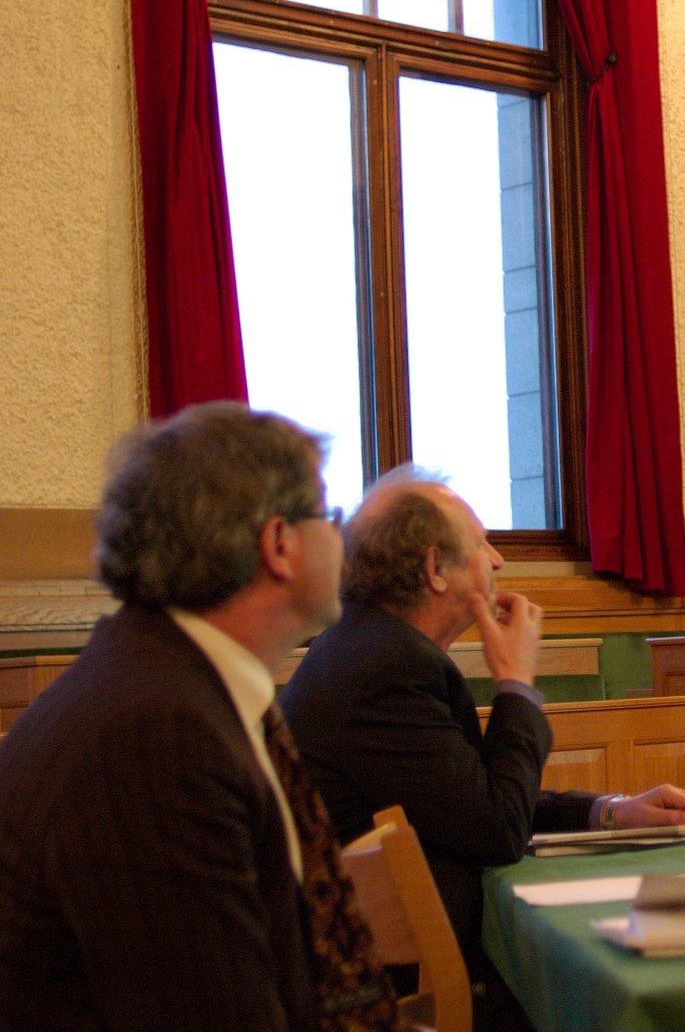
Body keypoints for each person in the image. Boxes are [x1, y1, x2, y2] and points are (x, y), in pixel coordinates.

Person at [0, 402, 398, 1032]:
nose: (340, 537)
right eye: (328, 516)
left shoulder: (164, 681)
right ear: (279, 544)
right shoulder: (156, 736)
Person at [280, 469, 685, 1032]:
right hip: (407, 997)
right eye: (482, 544)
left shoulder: (367, 647)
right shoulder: (387, 670)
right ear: (436, 569)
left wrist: (611, 812)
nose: (498, 560)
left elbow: (468, 799)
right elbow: (495, 827)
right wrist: (515, 684)